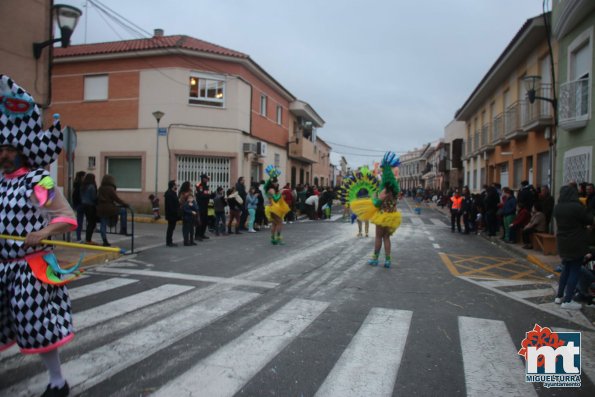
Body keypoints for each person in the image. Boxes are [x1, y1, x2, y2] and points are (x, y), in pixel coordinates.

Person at [0, 75, 78, 397]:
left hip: (29, 268)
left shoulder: (38, 182)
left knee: (35, 324)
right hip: (2, 265)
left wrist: (42, 231)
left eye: (9, 150)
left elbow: (67, 218)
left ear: (22, 151)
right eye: (0, 148)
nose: (3, 155)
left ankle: (58, 382)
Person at [351, 152, 402, 268]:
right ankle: (388, 260)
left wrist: (365, 206)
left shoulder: (385, 189)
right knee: (387, 238)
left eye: (383, 170)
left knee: (379, 237)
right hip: (392, 215)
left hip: (383, 216)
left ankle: (375, 259)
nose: (382, 172)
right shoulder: (395, 189)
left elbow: (378, 202)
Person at [553, 184, 595, 310]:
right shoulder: (577, 207)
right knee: (575, 271)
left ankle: (559, 296)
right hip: (576, 242)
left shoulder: (557, 207)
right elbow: (588, 220)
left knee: (566, 269)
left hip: (563, 243)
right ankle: (568, 300)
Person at [96, 174, 129, 247]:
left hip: (100, 208)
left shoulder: (100, 188)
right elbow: (116, 199)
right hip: (109, 207)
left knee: (103, 224)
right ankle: (123, 228)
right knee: (123, 211)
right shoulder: (110, 188)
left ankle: (104, 241)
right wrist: (125, 204)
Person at [264, 165, 290, 244]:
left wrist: (279, 192)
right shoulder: (271, 189)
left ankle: (273, 239)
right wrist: (281, 193)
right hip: (273, 208)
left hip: (273, 208)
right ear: (272, 183)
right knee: (279, 223)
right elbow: (275, 198)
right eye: (276, 182)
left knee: (274, 224)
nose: (277, 183)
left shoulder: (272, 189)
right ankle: (278, 238)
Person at [81, 173, 98, 245]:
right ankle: (88, 240)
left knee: (89, 223)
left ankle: (87, 239)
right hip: (91, 206)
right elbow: (93, 197)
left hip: (84, 205)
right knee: (92, 223)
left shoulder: (83, 186)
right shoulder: (91, 186)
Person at [195, 174, 213, 240]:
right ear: (203, 179)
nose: (207, 180)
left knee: (205, 221)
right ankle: (197, 235)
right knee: (200, 220)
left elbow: (208, 194)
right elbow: (200, 195)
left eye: (208, 179)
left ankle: (202, 234)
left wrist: (212, 195)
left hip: (205, 205)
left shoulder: (206, 186)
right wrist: (208, 195)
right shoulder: (199, 186)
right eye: (206, 178)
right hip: (200, 205)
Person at [164, 180, 179, 247]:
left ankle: (170, 241)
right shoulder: (169, 194)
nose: (177, 186)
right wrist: (174, 212)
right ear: (173, 185)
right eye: (176, 185)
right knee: (170, 228)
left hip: (174, 214)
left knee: (172, 228)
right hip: (171, 214)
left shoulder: (173, 192)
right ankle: (169, 242)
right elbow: (170, 205)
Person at [72, 171, 86, 242]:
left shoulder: (76, 185)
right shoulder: (80, 186)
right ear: (81, 177)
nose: (85, 178)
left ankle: (78, 237)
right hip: (80, 205)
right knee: (80, 222)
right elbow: (79, 196)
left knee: (79, 221)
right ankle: (78, 238)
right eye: (84, 176)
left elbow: (74, 196)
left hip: (77, 205)